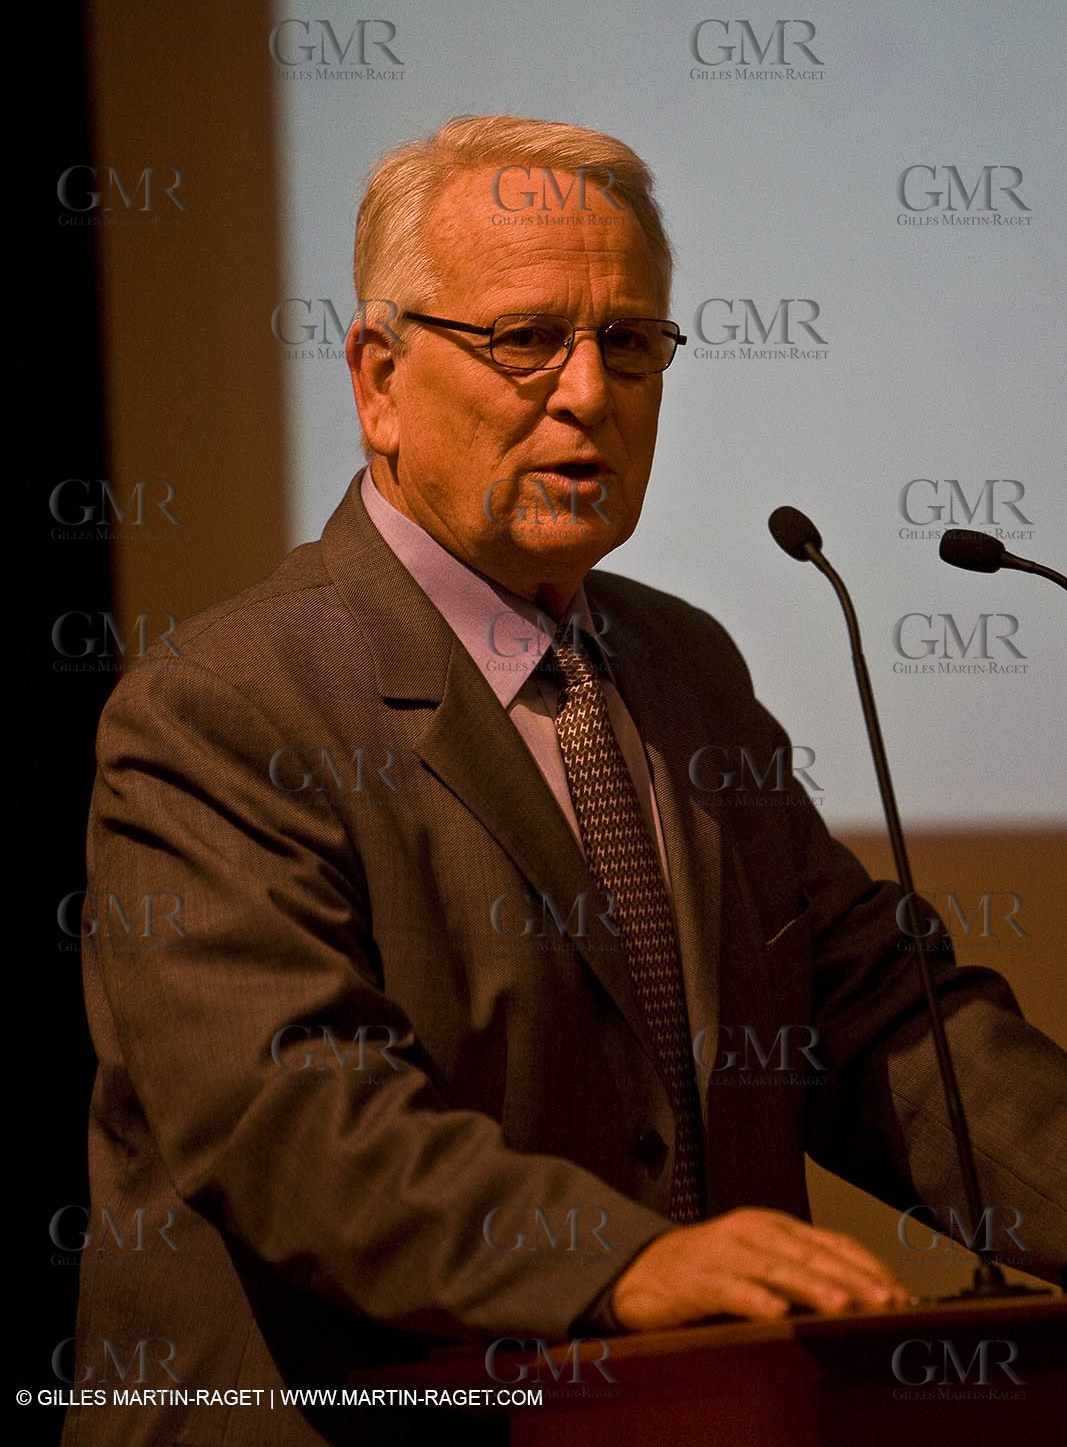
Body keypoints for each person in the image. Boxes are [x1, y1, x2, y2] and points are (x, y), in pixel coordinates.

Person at [65, 116, 1066, 1446]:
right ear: (378, 380)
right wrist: (618, 1264)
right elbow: (292, 1111)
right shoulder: (224, 711)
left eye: (631, 344)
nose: (588, 392)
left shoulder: (684, 668)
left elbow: (882, 1025)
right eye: (525, 339)